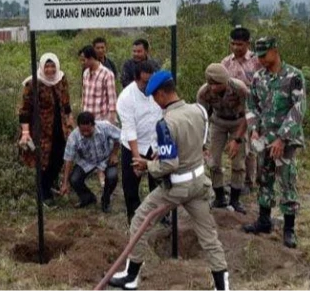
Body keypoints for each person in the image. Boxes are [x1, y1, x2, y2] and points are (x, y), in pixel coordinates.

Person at [109, 71, 230, 291]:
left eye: (154, 96)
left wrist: (148, 166)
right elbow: (200, 145)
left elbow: (169, 165)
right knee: (209, 237)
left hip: (176, 187)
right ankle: (223, 287)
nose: (154, 101)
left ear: (163, 94)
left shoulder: (165, 123)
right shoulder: (198, 111)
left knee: (139, 221)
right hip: (199, 183)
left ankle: (131, 276)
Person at [242, 37, 306, 249]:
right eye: (258, 55)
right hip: (263, 139)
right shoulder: (258, 77)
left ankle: (289, 228)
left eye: (263, 55)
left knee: (286, 181)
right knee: (264, 178)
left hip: (285, 140)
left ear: (275, 51)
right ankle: (264, 220)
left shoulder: (293, 76)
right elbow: (251, 105)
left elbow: (298, 110)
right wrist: (252, 130)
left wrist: (281, 138)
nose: (260, 60)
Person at [18, 53, 74, 206]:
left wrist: (70, 122)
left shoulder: (61, 79)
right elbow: (24, 110)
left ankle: (49, 183)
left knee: (59, 156)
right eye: (47, 66)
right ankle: (44, 192)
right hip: (41, 129)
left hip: (60, 126)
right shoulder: (32, 83)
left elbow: (66, 102)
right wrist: (25, 132)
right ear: (42, 67)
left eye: (52, 66)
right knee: (43, 160)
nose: (50, 70)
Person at [197, 64, 249, 214]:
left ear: (226, 81)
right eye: (210, 83)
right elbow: (202, 118)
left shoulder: (239, 89)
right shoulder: (203, 93)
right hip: (218, 123)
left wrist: (237, 139)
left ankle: (235, 199)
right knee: (213, 161)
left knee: (238, 162)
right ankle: (219, 197)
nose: (213, 88)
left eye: (217, 84)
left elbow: (249, 114)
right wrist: (203, 144)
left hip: (239, 123)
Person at [116, 60, 162, 223]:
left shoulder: (158, 91)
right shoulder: (126, 98)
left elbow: (163, 118)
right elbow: (130, 130)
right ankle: (134, 217)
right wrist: (137, 160)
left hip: (155, 142)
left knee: (158, 181)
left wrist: (161, 145)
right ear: (136, 79)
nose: (149, 86)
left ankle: (160, 215)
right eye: (145, 82)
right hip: (133, 145)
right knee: (131, 185)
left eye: (151, 81)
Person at [221, 27, 262, 194]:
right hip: (232, 110)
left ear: (247, 43)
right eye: (233, 44)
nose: (236, 47)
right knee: (238, 147)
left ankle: (249, 181)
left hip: (252, 108)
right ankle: (237, 181)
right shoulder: (226, 62)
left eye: (240, 44)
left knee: (251, 148)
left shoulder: (256, 61)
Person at [59, 111, 120, 212]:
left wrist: (114, 154)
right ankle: (88, 198)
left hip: (105, 158)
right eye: (82, 131)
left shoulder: (105, 127)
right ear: (78, 127)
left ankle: (106, 199)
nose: (85, 133)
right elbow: (68, 159)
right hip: (87, 161)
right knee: (74, 179)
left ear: (93, 124)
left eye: (88, 130)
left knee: (112, 176)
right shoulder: (73, 137)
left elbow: (120, 137)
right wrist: (65, 183)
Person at [79, 45, 117, 124]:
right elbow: (84, 96)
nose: (82, 63)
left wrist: (111, 121)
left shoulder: (107, 74)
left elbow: (112, 101)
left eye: (83, 60)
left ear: (91, 58)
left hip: (101, 120)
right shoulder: (85, 73)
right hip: (87, 121)